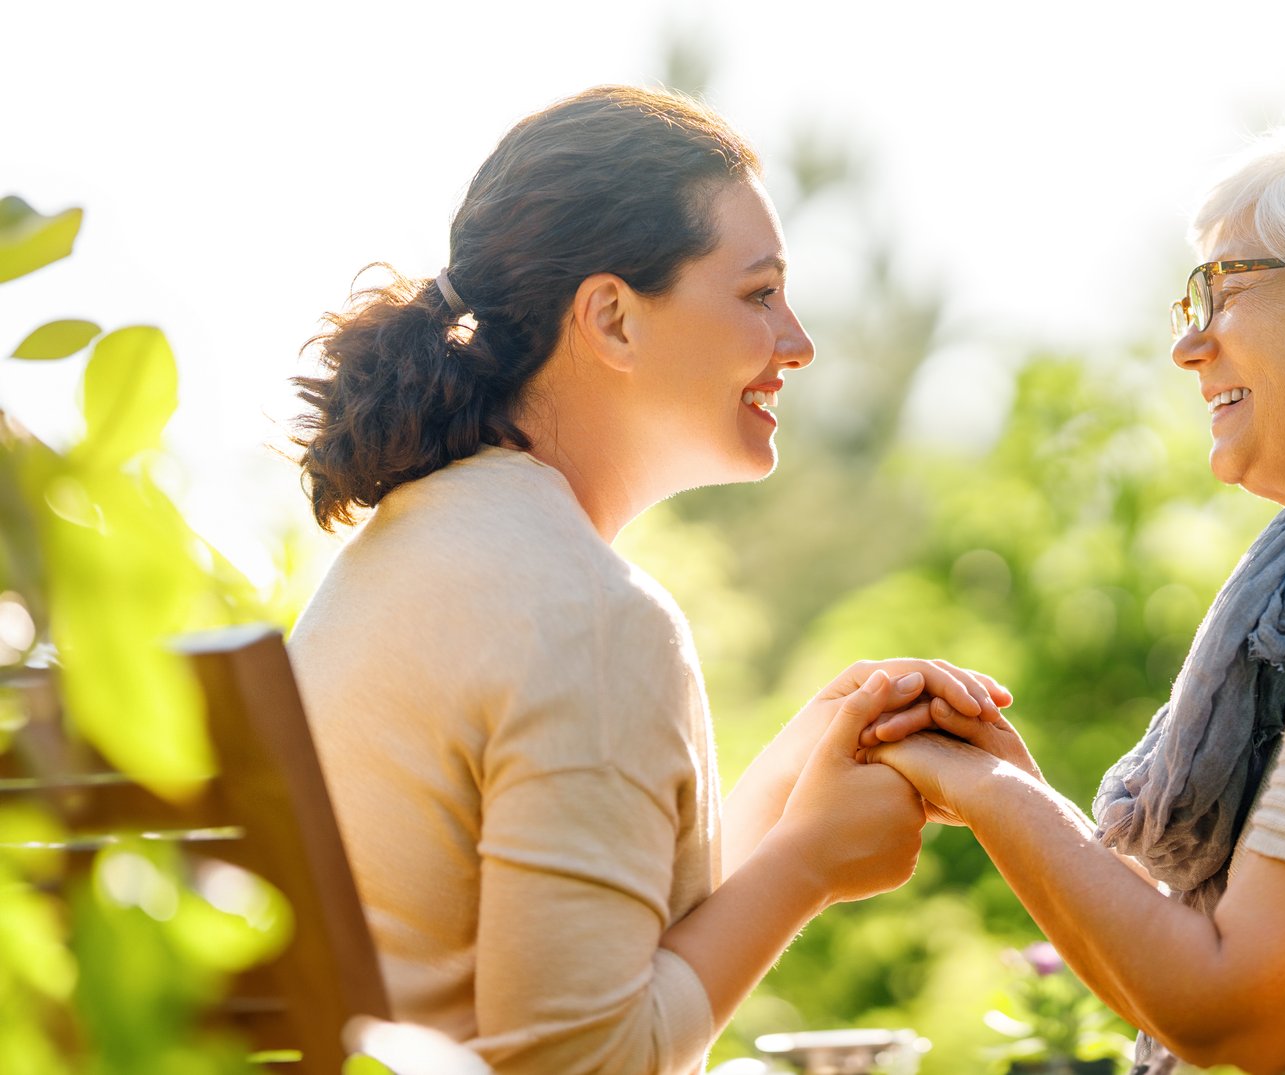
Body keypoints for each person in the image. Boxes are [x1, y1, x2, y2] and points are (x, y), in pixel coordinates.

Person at [286, 85, 1008, 1075]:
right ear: (613, 318)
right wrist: (808, 865)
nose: (798, 342)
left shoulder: (406, 555)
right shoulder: (587, 618)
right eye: (758, 293)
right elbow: (578, 1063)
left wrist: (795, 787)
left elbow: (591, 956)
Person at [862, 125, 1285, 1075]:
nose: (1188, 344)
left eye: (1224, 289)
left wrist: (984, 792)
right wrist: (1020, 785)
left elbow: (1232, 1016)